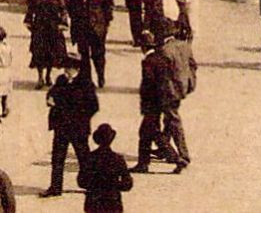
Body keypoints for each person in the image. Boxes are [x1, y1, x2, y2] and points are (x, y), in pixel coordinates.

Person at [133, 33, 186, 173]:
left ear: (144, 47)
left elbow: (149, 84)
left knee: (151, 133)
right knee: (147, 133)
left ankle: (175, 158)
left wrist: (145, 105)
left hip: (152, 103)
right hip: (162, 100)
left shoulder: (148, 61)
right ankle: (143, 163)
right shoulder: (161, 57)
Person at [43, 70, 98, 197]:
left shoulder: (86, 83)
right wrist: (49, 99)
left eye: (70, 67)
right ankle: (55, 187)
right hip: (61, 127)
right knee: (57, 158)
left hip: (78, 129)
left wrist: (80, 117)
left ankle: (90, 186)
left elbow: (93, 106)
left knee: (83, 158)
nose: (66, 70)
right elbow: (52, 93)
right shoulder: (61, 79)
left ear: (77, 69)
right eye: (66, 66)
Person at [77, 123, 133, 213]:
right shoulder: (118, 159)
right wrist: (113, 185)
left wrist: (96, 185)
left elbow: (81, 182)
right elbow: (127, 184)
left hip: (93, 201)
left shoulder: (89, 158)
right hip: (113, 202)